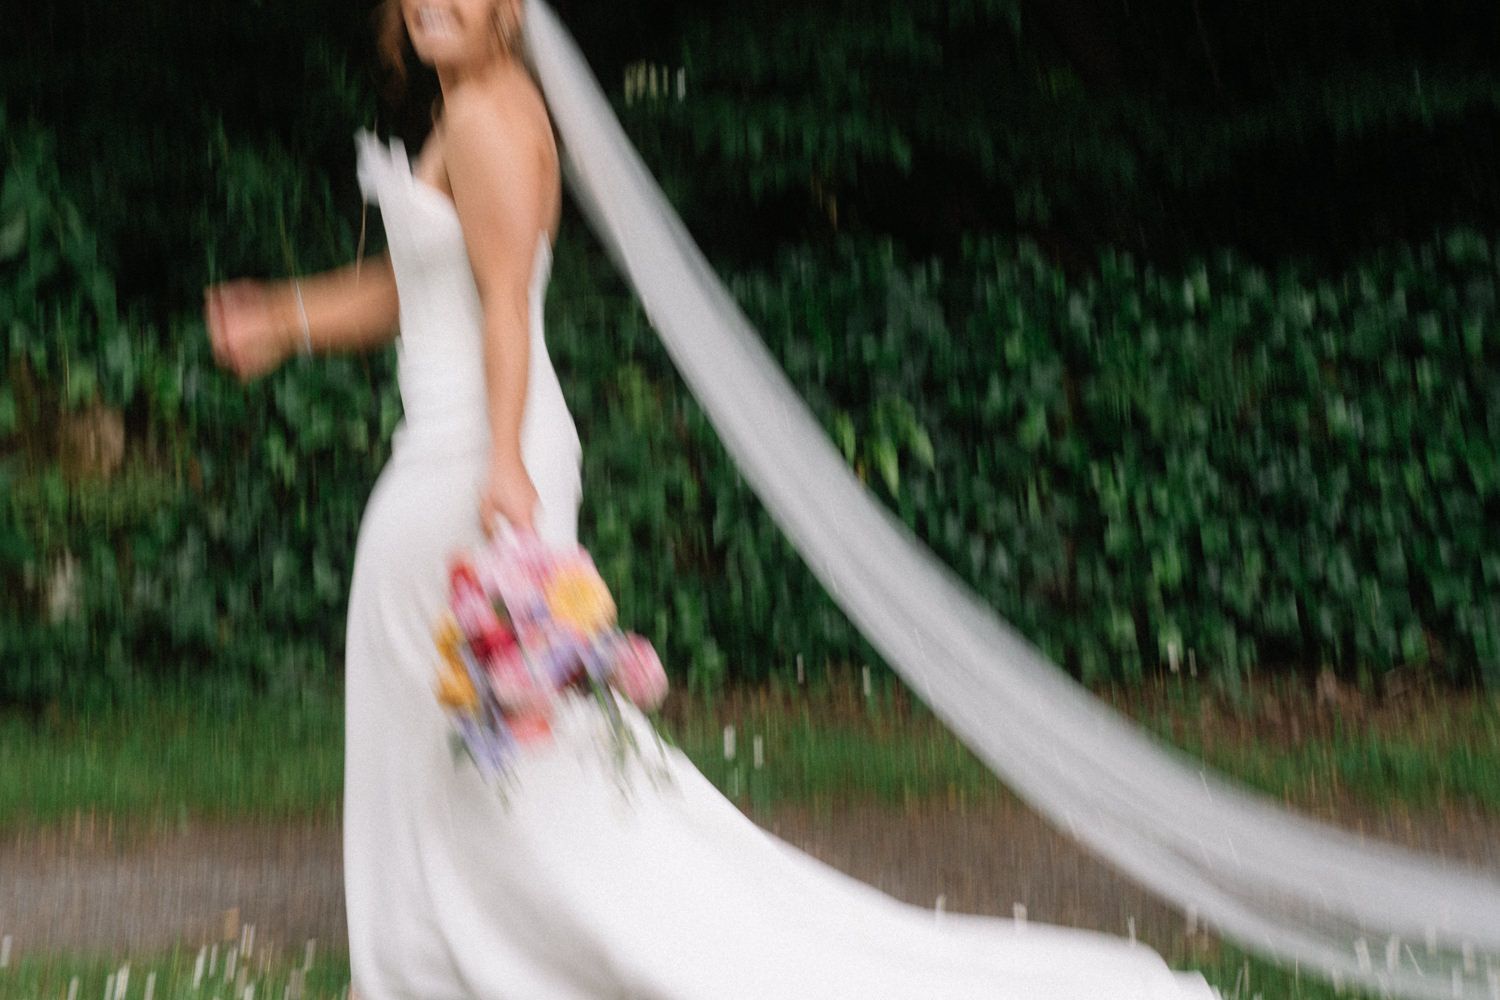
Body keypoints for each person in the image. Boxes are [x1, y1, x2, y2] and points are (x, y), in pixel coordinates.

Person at [203, 1, 1221, 996]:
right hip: (460, 440)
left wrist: (502, 461)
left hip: (475, 449)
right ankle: (450, 942)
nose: (433, 4)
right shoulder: (473, 109)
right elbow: (417, 289)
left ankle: (479, 946)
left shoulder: (485, 117)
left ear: (511, 9)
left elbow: (507, 306)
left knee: (502, 729)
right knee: (484, 724)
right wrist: (285, 319)